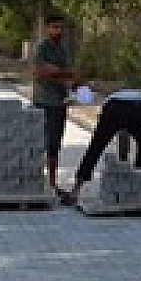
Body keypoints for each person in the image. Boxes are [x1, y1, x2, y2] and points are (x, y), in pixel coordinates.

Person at [62, 89, 141, 204]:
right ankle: (137, 186)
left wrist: (122, 164)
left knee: (96, 147)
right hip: (137, 108)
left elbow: (123, 133)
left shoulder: (140, 100)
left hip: (112, 106)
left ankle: (75, 191)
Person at [33, 14, 80, 196]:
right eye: (54, 27)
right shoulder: (42, 48)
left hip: (60, 102)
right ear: (46, 28)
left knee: (55, 144)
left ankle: (52, 184)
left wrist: (63, 75)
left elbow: (72, 75)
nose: (57, 31)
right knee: (41, 143)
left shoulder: (62, 49)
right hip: (44, 101)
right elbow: (41, 73)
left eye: (60, 27)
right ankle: (38, 182)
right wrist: (63, 73)